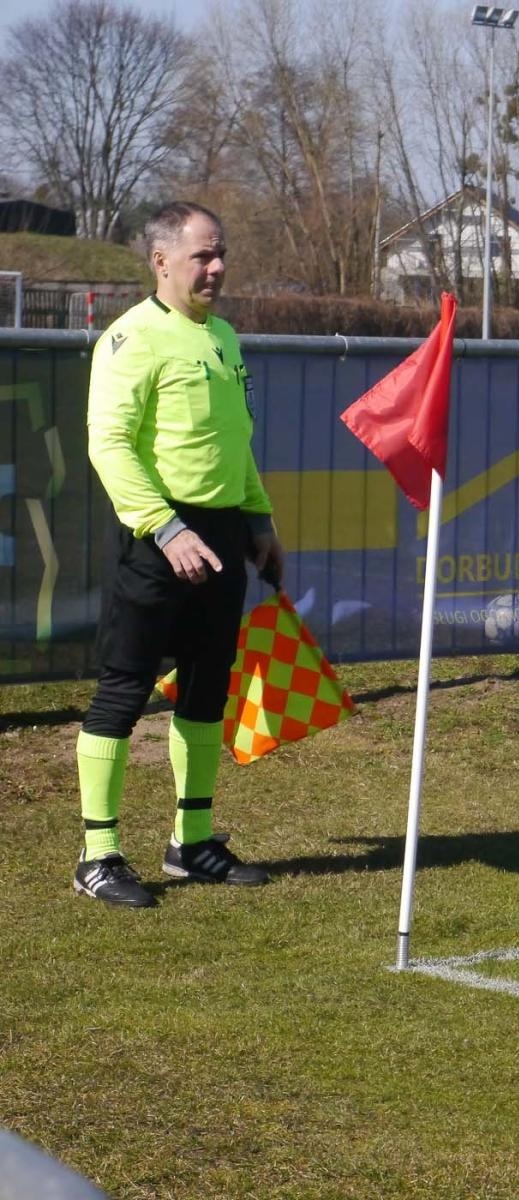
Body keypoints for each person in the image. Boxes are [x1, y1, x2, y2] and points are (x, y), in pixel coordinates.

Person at [73, 201, 284, 908]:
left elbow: (235, 440)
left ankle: (191, 844)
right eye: (203, 255)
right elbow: (109, 445)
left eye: (221, 253)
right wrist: (166, 529)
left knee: (206, 688)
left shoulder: (223, 335)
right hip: (157, 537)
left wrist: (257, 520)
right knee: (124, 689)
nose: (217, 267)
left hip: (222, 536)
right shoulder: (130, 339)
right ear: (161, 261)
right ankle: (97, 854)